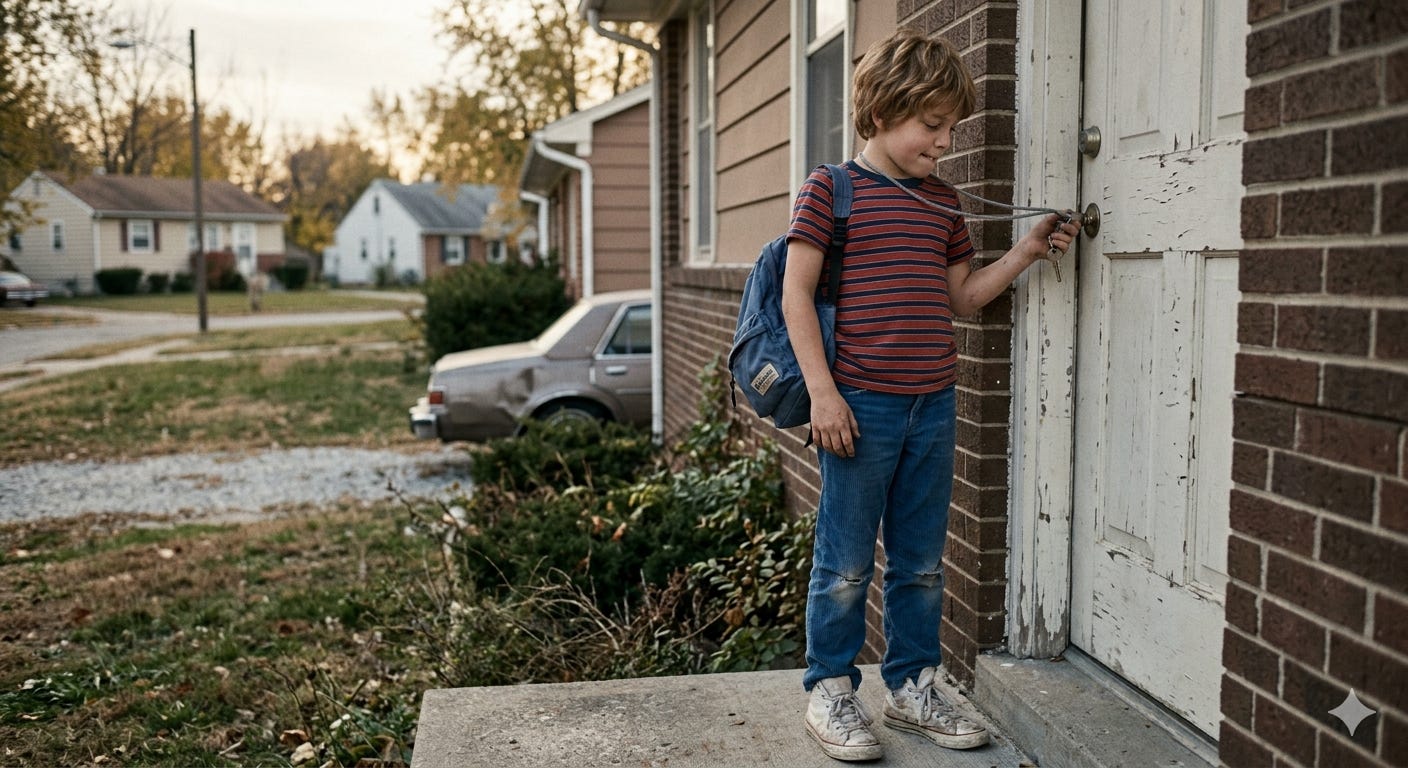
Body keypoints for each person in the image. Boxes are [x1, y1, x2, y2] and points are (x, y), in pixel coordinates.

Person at [781, 28, 1079, 762]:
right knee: (846, 560)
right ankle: (830, 690)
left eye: (952, 127)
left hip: (932, 405)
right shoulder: (832, 190)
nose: (944, 141)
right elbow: (795, 294)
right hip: (859, 408)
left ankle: (913, 686)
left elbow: (964, 298)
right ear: (882, 110)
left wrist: (1027, 250)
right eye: (932, 124)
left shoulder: (943, 204)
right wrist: (823, 394)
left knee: (919, 560)